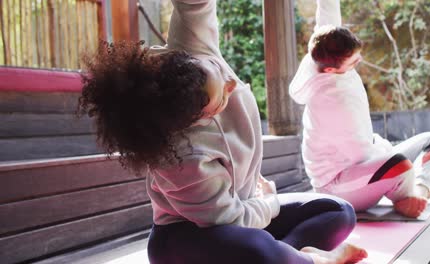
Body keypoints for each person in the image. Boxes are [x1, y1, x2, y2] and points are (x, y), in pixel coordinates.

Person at [78, 0, 367, 263]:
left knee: (337, 211)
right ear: (197, 117)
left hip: (243, 217)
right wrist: (267, 202)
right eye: (222, 98)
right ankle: (317, 261)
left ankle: (290, 258)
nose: (231, 84)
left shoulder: (190, 55)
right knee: (254, 248)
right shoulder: (182, 158)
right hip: (187, 238)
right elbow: (231, 218)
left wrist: (264, 204)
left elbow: (194, 6)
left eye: (217, 71)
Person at [289, 0, 430, 218]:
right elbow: (361, 154)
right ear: (333, 69)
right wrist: (387, 149)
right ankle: (413, 195)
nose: (359, 61)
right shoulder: (333, 103)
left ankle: (416, 194)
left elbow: (327, 14)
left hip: (364, 160)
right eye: (353, 62)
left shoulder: (322, 52)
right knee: (400, 165)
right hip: (338, 185)